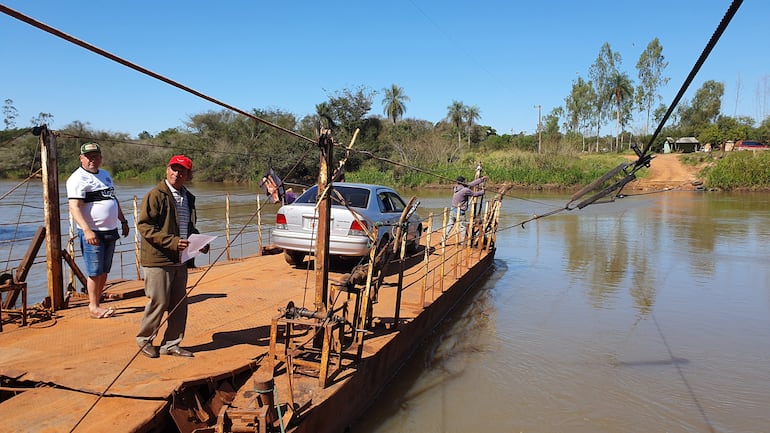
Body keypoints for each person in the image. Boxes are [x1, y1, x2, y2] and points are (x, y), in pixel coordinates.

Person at [135, 155, 208, 358]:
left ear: (188, 175)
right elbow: (145, 226)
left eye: (182, 171)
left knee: (178, 303)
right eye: (174, 169)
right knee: (159, 301)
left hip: (180, 259)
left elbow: (188, 226)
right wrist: (173, 242)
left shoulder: (188, 197)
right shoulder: (156, 195)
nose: (177, 174)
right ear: (167, 170)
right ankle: (144, 341)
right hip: (159, 258)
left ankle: (171, 344)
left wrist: (199, 243)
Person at [66, 142, 129, 319]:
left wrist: (123, 220)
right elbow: (74, 207)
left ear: (100, 158)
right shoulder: (77, 179)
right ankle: (93, 306)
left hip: (110, 229)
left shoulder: (105, 175)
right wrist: (87, 230)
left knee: (105, 269)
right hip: (93, 232)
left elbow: (113, 200)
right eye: (88, 157)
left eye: (95, 156)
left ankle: (98, 301)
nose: (92, 160)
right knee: (94, 271)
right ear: (81, 158)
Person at [445, 175, 487, 241]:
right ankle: (463, 242)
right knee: (463, 227)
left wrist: (481, 179)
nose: (466, 182)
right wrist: (483, 192)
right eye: (465, 181)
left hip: (452, 209)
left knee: (450, 224)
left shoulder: (456, 187)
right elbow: (475, 194)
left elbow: (470, 184)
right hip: (460, 212)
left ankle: (444, 238)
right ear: (462, 182)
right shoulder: (465, 190)